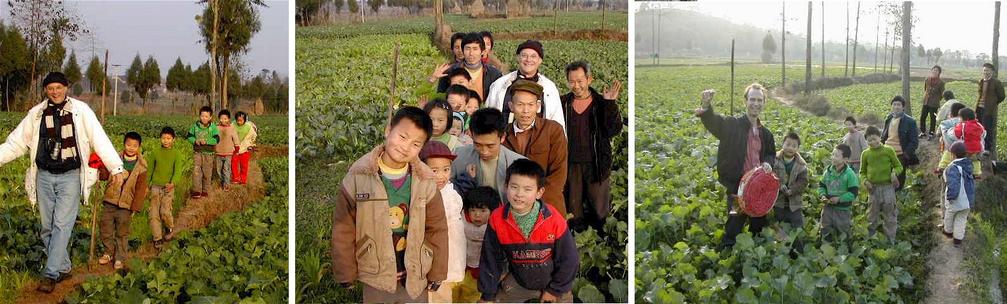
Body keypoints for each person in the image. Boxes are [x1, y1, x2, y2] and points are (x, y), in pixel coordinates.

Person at [0, 72, 126, 293]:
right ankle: (64, 267)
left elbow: (99, 137)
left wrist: (115, 166)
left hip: (70, 176)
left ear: (67, 88)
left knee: (61, 225)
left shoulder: (81, 111)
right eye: (50, 88)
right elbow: (16, 143)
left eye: (59, 87)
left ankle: (50, 274)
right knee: (48, 228)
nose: (55, 92)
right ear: (45, 91)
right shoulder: (37, 114)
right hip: (44, 176)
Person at [331, 106, 448, 302]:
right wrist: (345, 271)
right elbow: (343, 228)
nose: (405, 147)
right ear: (388, 130)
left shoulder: (426, 182)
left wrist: (437, 271)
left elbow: (437, 228)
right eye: (402, 137)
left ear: (422, 148)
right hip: (375, 273)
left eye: (415, 144)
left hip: (415, 274)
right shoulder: (358, 178)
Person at [478, 159, 578, 303]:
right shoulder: (497, 219)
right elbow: (490, 259)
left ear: (539, 192)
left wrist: (554, 290)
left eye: (527, 189)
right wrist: (487, 295)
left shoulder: (553, 218)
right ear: (506, 186)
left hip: (554, 281)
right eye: (514, 187)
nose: (519, 194)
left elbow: (569, 259)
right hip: (520, 281)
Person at [695, 85, 776, 249]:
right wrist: (706, 107)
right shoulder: (733, 125)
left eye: (759, 100)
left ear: (764, 103)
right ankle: (728, 254)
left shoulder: (766, 134)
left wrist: (768, 163)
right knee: (734, 224)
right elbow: (715, 123)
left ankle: (754, 256)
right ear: (745, 101)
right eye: (752, 99)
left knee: (758, 224)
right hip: (737, 189)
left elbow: (770, 154)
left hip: (759, 189)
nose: (756, 103)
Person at [562, 61, 623, 230]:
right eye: (572, 81)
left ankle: (601, 240)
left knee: (599, 209)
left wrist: (610, 104)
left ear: (589, 79)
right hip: (571, 164)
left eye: (580, 81)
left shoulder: (601, 103)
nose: (576, 85)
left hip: (597, 164)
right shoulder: (563, 103)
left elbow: (614, 130)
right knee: (574, 208)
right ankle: (578, 242)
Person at [501, 79, 568, 215]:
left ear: (538, 106)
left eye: (530, 105)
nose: (525, 111)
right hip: (515, 207)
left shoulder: (553, 130)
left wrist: (533, 200)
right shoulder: (503, 135)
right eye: (520, 105)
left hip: (548, 206)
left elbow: (558, 174)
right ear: (511, 106)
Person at [485, 40, 566, 133]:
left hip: (538, 142)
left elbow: (557, 120)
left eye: (533, 56)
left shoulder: (549, 88)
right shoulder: (500, 84)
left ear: (540, 60)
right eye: (524, 55)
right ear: (518, 58)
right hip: (504, 141)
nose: (528, 60)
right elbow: (488, 116)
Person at [419, 141, 465, 303]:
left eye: (446, 170)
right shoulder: (421, 194)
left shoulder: (452, 193)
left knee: (445, 294)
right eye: (434, 170)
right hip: (432, 257)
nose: (441, 176)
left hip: (452, 255)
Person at [98, 132, 148, 270]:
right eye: (128, 144)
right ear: (124, 144)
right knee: (106, 227)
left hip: (126, 204)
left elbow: (140, 190)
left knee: (122, 232)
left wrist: (135, 208)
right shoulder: (114, 160)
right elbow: (105, 175)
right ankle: (108, 252)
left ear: (139, 147)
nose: (131, 148)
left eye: (134, 146)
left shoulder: (142, 167)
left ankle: (119, 257)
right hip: (110, 199)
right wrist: (99, 168)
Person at [452, 108, 525, 200]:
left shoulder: (518, 164)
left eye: (490, 146)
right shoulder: (458, 156)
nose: (484, 151)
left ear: (502, 137)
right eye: (477, 145)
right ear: (471, 134)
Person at [453, 186, 500, 303]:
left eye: (483, 211)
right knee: (453, 295)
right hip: (461, 267)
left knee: (472, 295)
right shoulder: (460, 219)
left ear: (492, 211)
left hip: (479, 272)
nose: (477, 215)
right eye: (473, 210)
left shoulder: (495, 226)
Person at [861, 126, 903, 241]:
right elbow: (862, 172)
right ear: (866, 141)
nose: (872, 142)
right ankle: (870, 240)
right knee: (871, 215)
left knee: (890, 214)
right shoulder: (865, 154)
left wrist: (894, 173)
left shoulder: (888, 150)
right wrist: (865, 181)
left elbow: (898, 166)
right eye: (869, 140)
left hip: (888, 187)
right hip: (873, 189)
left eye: (874, 139)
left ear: (880, 137)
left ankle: (890, 240)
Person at [436, 33, 503, 100]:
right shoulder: (449, 72)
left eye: (475, 49)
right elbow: (441, 98)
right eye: (467, 49)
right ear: (463, 50)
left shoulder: (494, 74)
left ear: (482, 51)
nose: (471, 53)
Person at [148, 127, 184, 248]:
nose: (166, 141)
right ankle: (157, 238)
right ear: (160, 138)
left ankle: (169, 228)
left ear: (173, 139)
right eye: (163, 138)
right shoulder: (155, 152)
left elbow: (178, 171)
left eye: (168, 138)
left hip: (168, 188)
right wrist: (147, 185)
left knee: (165, 212)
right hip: (155, 187)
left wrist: (173, 182)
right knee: (153, 214)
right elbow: (149, 171)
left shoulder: (176, 154)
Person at [818, 144, 859, 242]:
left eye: (836, 155)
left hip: (843, 210)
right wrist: (822, 195)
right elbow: (821, 186)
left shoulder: (850, 174)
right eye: (832, 154)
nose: (833, 157)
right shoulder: (828, 172)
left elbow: (853, 193)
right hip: (828, 207)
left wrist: (840, 199)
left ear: (845, 159)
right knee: (825, 227)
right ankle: (825, 245)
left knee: (843, 230)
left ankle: (846, 249)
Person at [880, 95, 919, 191]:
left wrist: (906, 154)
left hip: (900, 154)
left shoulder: (910, 121)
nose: (896, 107)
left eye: (899, 105)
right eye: (894, 104)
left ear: (903, 107)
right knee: (885, 177)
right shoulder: (889, 118)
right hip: (886, 152)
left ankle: (897, 198)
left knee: (899, 179)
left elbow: (914, 141)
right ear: (891, 106)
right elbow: (884, 136)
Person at [772, 131, 809, 233]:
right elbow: (770, 177)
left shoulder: (801, 165)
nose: (790, 148)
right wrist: (779, 185)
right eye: (788, 144)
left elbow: (803, 182)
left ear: (798, 148)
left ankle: (796, 246)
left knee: (797, 227)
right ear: (782, 144)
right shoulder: (774, 160)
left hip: (795, 202)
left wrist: (792, 190)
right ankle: (781, 244)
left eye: (794, 146)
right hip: (777, 201)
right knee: (779, 224)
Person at [943, 141, 975, 248]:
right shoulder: (968, 165)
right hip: (967, 200)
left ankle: (948, 232)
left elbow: (953, 184)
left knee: (949, 216)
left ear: (953, 155)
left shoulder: (953, 167)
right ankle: (957, 240)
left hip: (956, 198)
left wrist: (951, 197)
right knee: (961, 219)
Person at [186, 106, 220, 198]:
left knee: (207, 172)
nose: (204, 118)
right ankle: (197, 191)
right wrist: (194, 141)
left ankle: (205, 190)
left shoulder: (213, 127)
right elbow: (189, 136)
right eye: (202, 116)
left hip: (208, 154)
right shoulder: (195, 126)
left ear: (210, 117)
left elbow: (216, 139)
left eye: (206, 116)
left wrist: (207, 141)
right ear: (199, 116)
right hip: (197, 152)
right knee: (196, 171)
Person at [977, 62, 1004, 153]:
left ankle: (987, 149)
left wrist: (993, 103)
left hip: (989, 110)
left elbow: (1002, 96)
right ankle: (980, 146)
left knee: (987, 129)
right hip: (979, 108)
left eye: (988, 70)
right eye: (984, 70)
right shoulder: (981, 81)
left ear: (992, 71)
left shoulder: (996, 82)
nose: (986, 72)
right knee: (979, 127)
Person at [954, 108, 987, 179]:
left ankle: (963, 172)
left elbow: (957, 134)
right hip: (978, 148)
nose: (959, 119)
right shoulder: (979, 125)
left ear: (965, 118)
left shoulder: (962, 125)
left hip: (966, 148)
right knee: (976, 160)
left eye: (960, 117)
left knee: (964, 160)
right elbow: (984, 134)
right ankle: (977, 173)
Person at [215, 110, 240, 188]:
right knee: (219, 170)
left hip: (228, 153)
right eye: (221, 118)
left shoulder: (231, 128)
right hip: (218, 152)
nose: (223, 120)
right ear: (219, 119)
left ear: (228, 119)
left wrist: (236, 147)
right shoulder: (216, 128)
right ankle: (222, 182)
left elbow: (236, 138)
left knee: (226, 169)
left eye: (225, 119)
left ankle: (226, 185)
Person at [232, 111, 257, 185]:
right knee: (234, 164)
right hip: (235, 148)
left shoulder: (249, 127)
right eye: (238, 120)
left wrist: (251, 144)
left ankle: (243, 179)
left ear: (245, 120)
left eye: (241, 120)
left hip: (245, 149)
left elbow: (254, 136)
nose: (239, 122)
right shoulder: (232, 125)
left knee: (244, 165)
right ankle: (235, 178)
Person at [920, 65, 945, 138]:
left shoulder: (941, 82)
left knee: (933, 118)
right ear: (931, 71)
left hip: (934, 104)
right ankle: (922, 132)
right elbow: (925, 89)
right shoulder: (927, 79)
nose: (934, 71)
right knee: (922, 117)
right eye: (933, 70)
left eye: (936, 70)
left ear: (939, 72)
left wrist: (936, 99)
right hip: (926, 101)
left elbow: (942, 94)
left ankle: (931, 133)